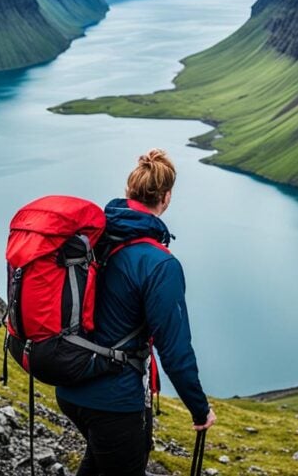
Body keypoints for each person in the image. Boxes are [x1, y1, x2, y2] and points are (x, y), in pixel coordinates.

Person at [56, 148, 216, 475]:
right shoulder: (159, 264)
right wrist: (200, 411)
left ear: (129, 192)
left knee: (100, 461)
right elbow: (174, 350)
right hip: (114, 397)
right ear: (167, 198)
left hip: (69, 383)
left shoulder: (95, 238)